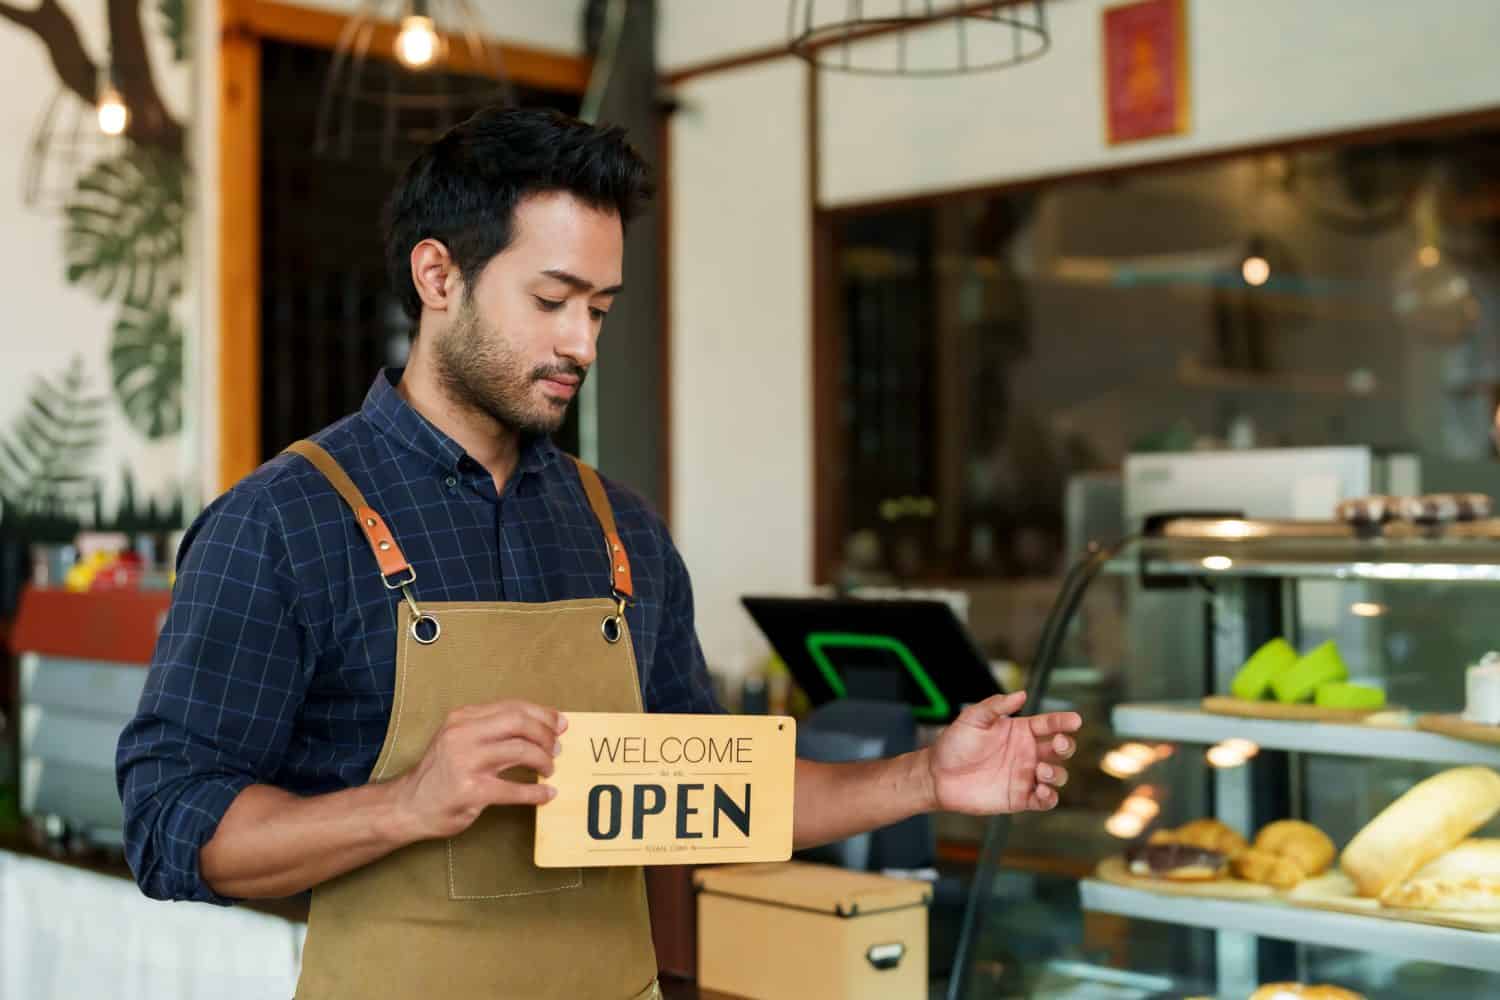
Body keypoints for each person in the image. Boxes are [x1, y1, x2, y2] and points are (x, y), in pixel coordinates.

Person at [116, 107, 1082, 1000]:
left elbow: (716, 796)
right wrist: (404, 804)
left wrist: (925, 778)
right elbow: (170, 824)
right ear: (437, 276)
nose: (580, 342)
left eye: (602, 309)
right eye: (552, 299)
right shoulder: (283, 522)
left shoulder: (622, 534)